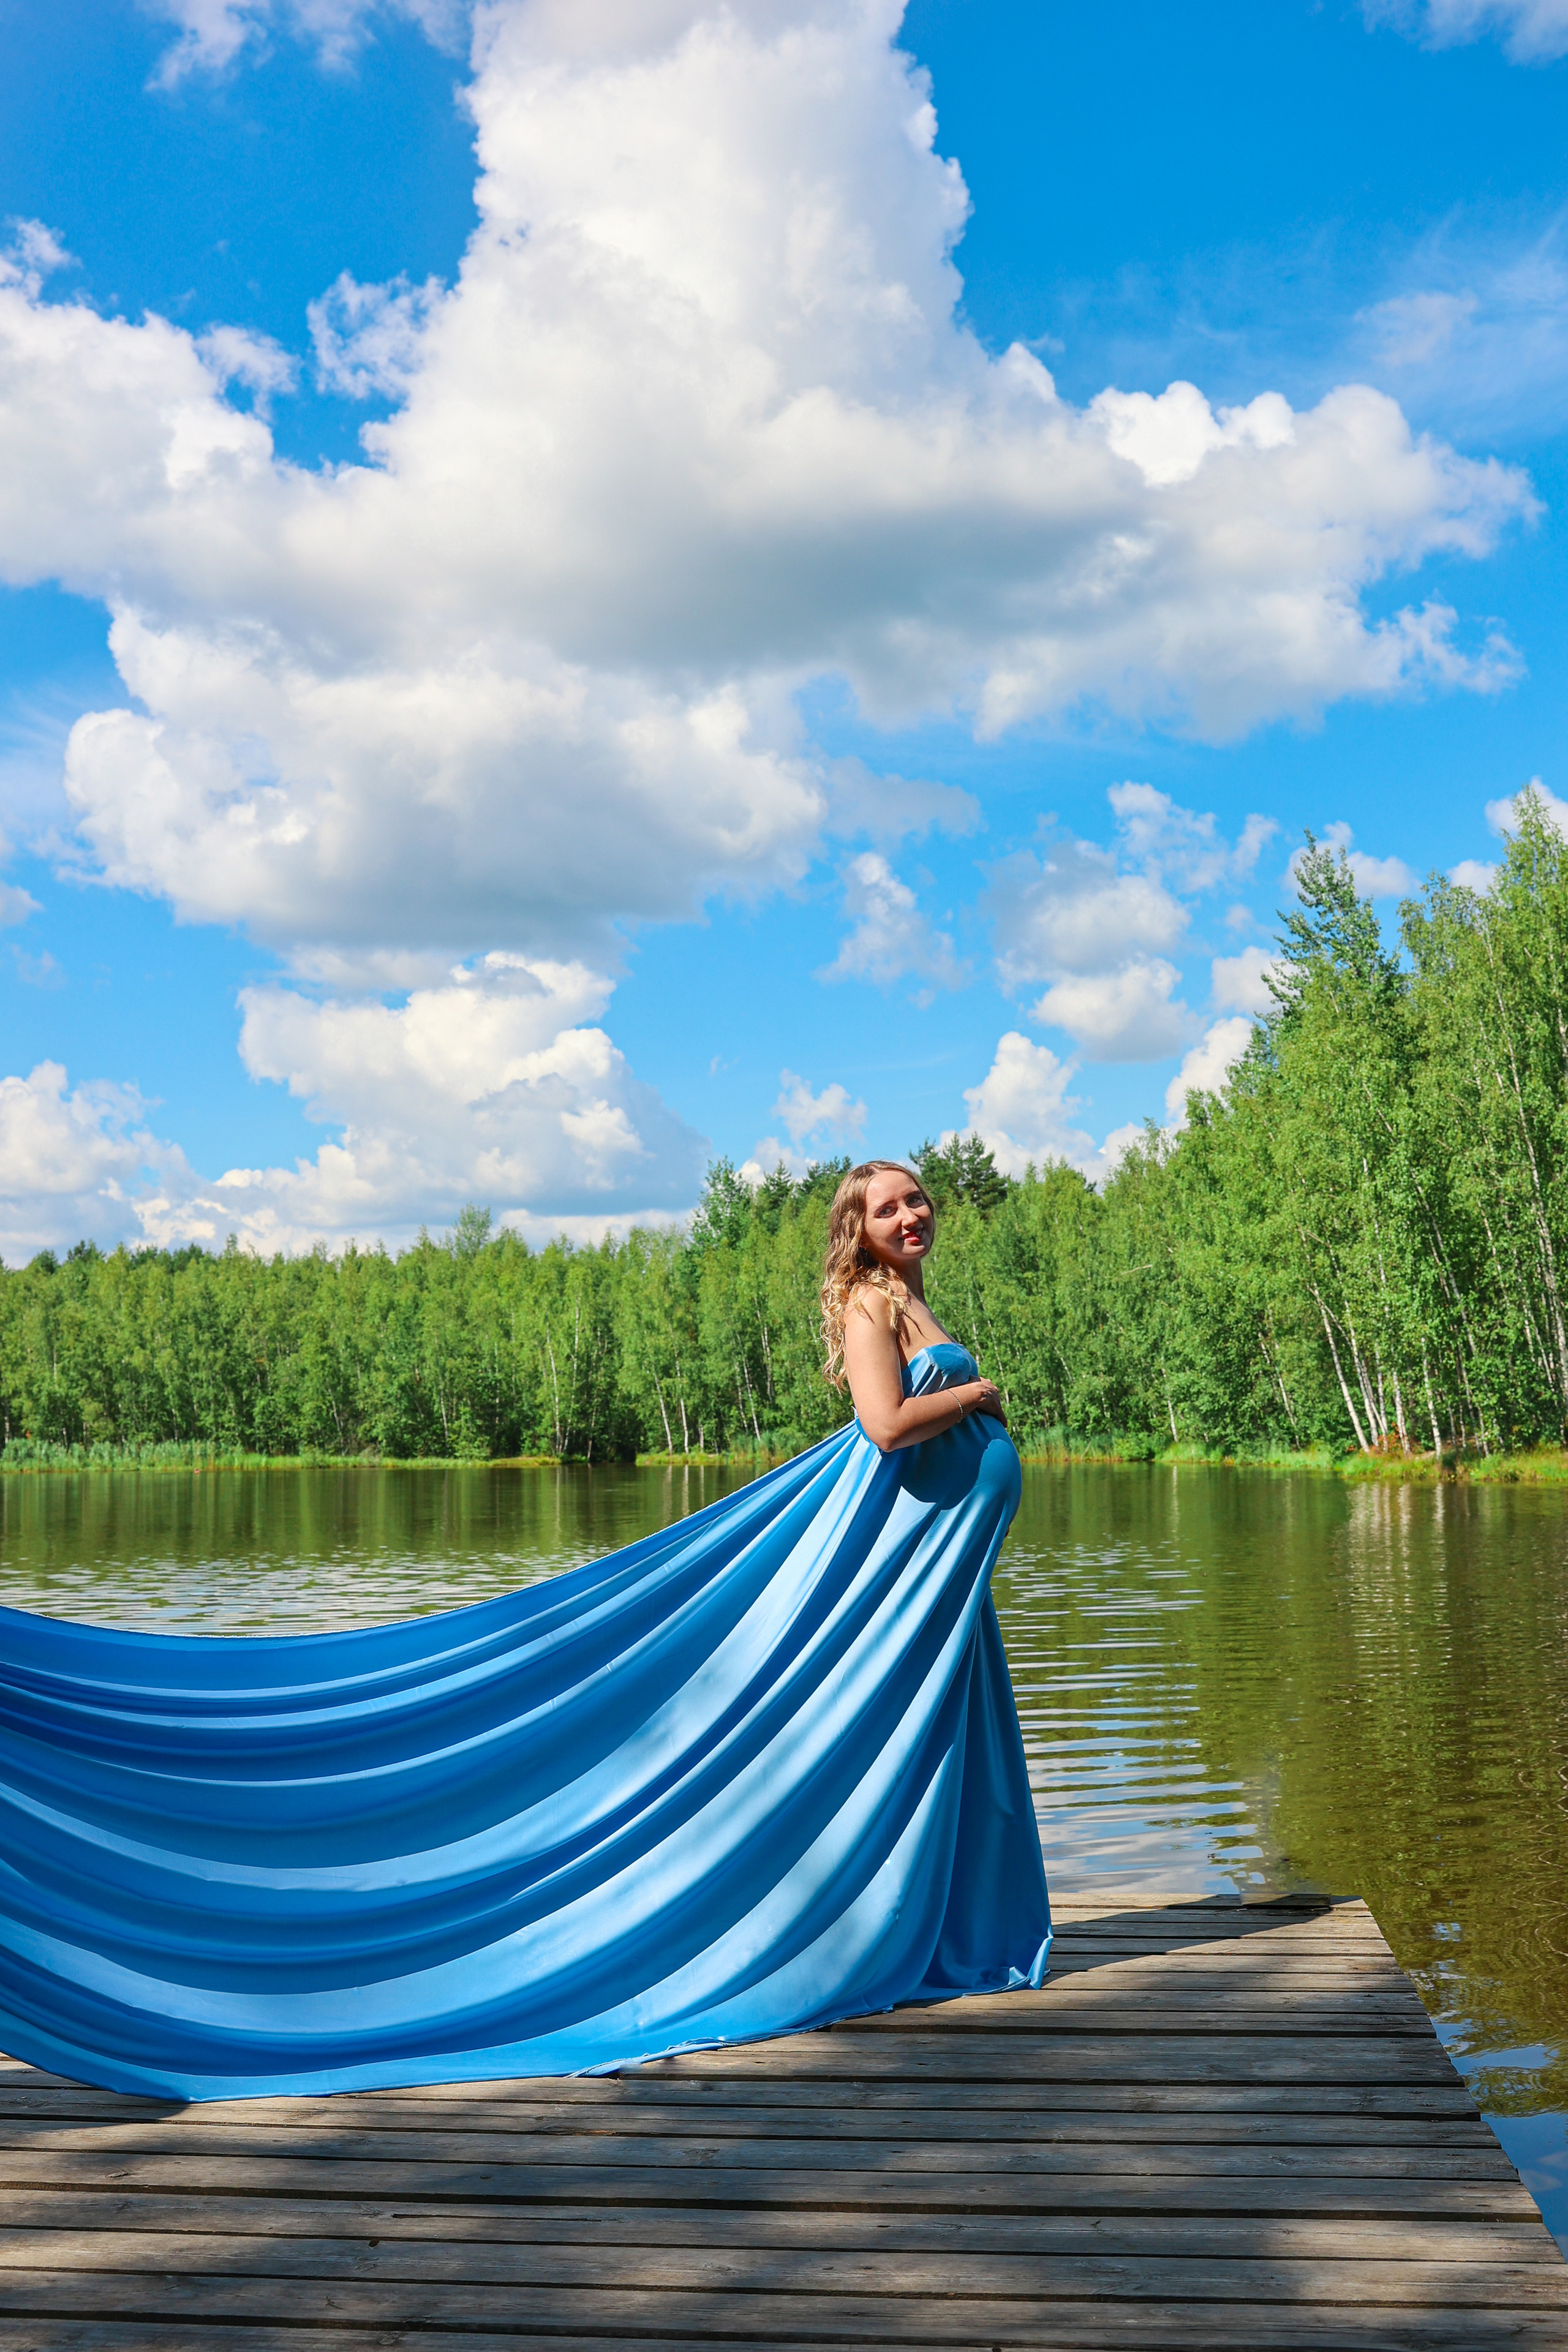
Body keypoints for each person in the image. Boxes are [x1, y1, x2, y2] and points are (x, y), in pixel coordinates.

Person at [0, 1160, 1050, 2102]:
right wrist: (982, 1394)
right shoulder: (874, 1308)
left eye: (918, 1199)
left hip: (941, 1578)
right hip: (914, 1574)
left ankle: (949, 1929)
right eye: (888, 1206)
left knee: (954, 1745)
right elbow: (881, 1428)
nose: (911, 1214)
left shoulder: (914, 1299)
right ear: (854, 1230)